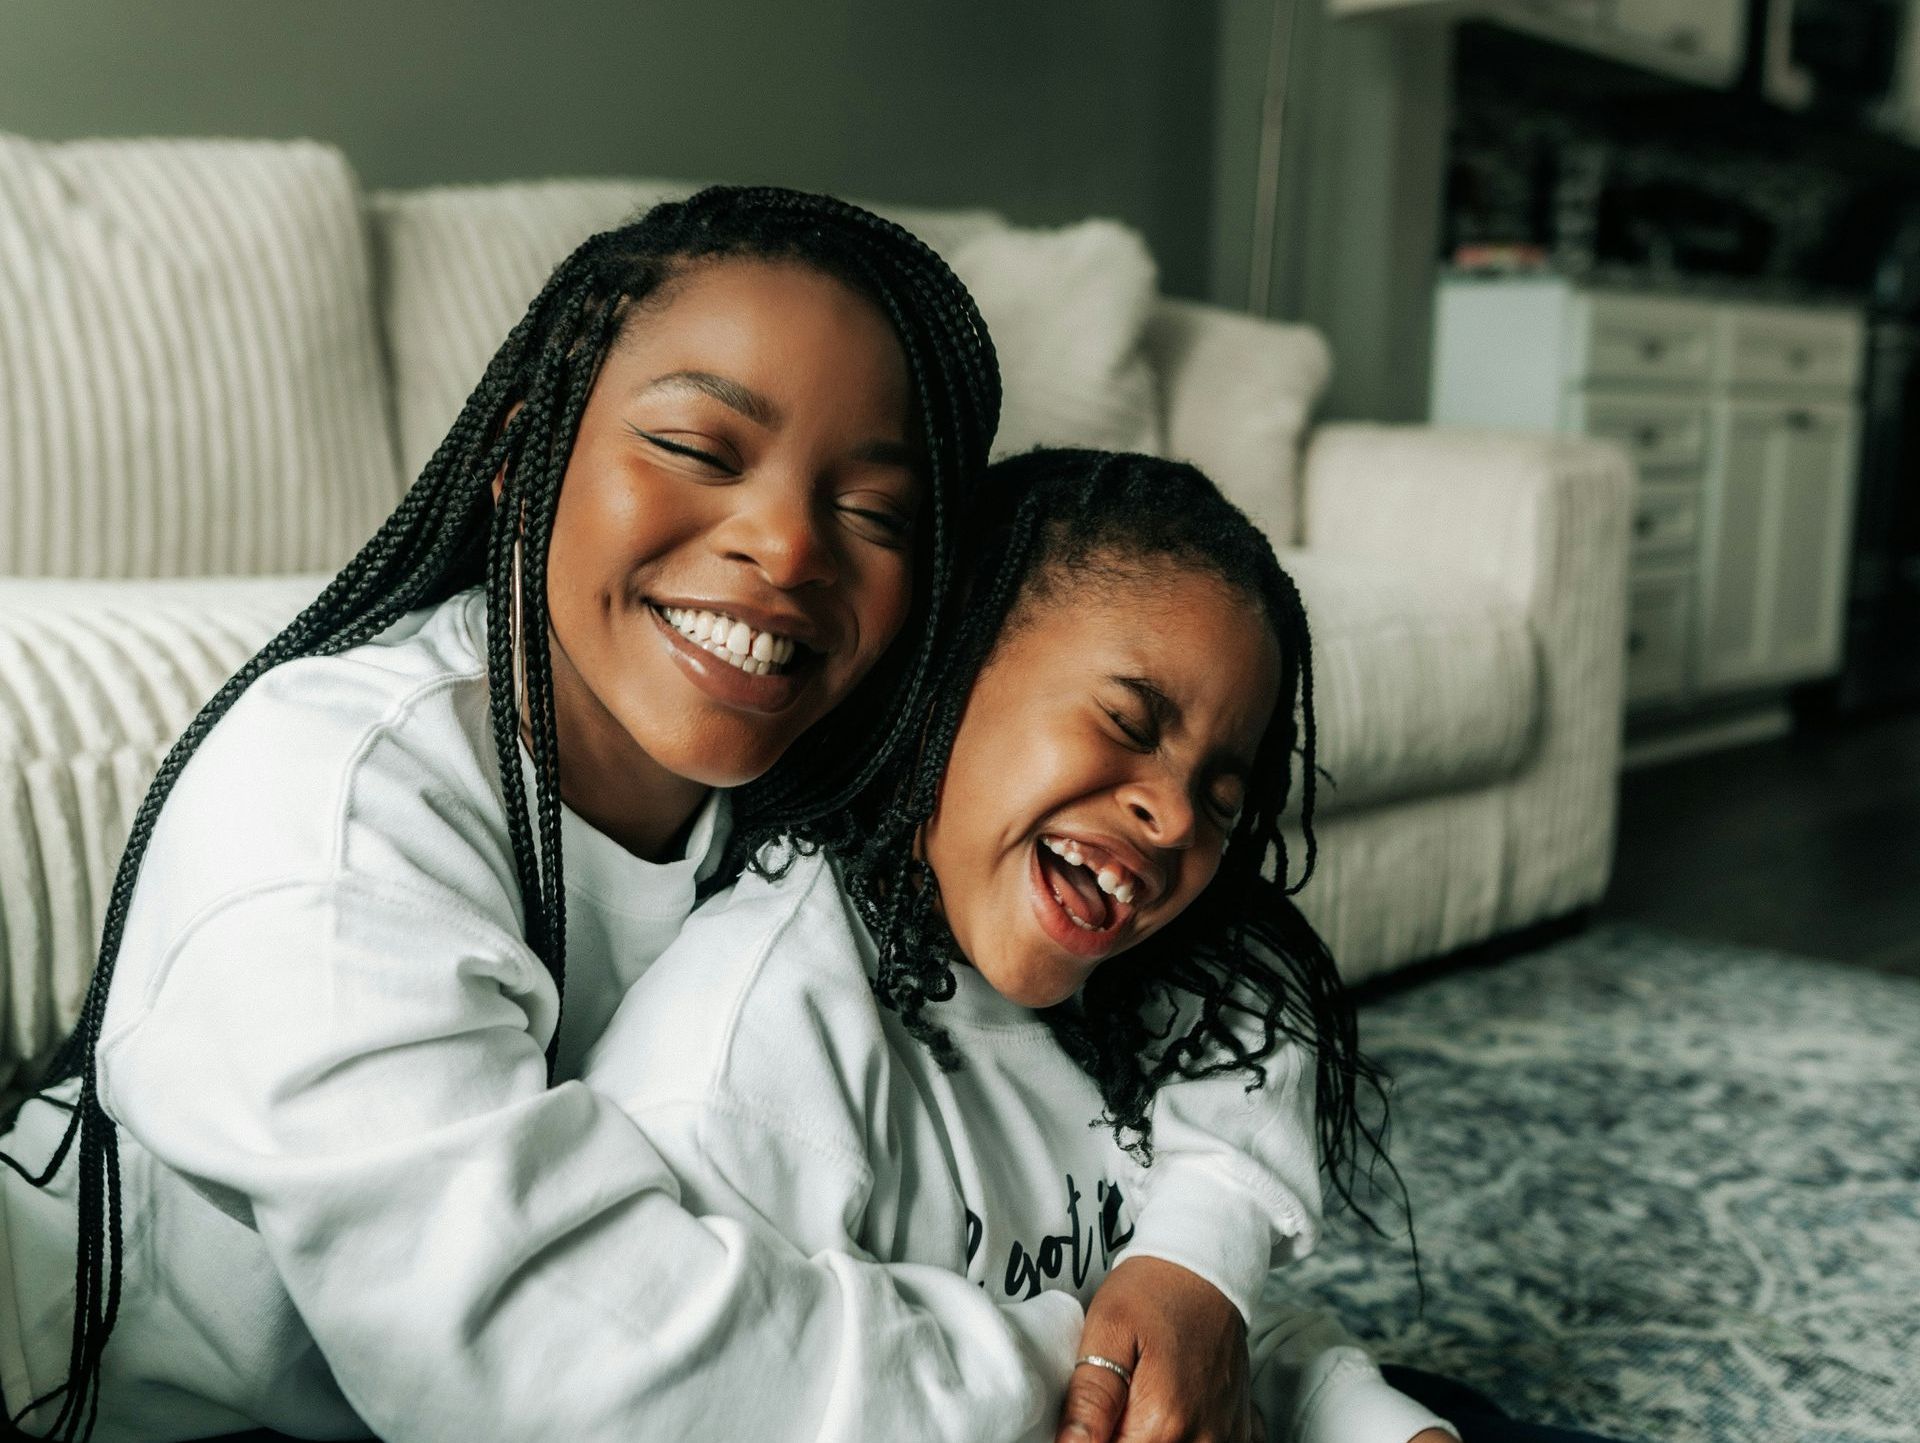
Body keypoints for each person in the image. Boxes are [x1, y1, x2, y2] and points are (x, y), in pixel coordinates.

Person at [0, 189, 1343, 1443]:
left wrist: (1195, 1255)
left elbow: (1221, 961)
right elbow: (563, 1365)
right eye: (702, 447)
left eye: (873, 509)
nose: (787, 546)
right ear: (523, 457)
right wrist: (1099, 1369)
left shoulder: (809, 754)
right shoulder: (332, 807)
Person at [581, 448, 1461, 1443]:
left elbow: (1205, 1346)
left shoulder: (1125, 1000)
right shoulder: (755, 1046)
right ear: (943, 678)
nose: (1173, 816)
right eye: (1126, 721)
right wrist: (1086, 1372)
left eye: (1222, 801)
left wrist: (1373, 1422)